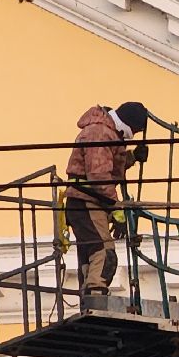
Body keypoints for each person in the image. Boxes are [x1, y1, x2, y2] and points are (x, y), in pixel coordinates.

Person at [64, 100, 149, 297]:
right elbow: (100, 177)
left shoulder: (107, 132)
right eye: (135, 131)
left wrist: (133, 157)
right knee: (104, 253)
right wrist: (117, 210)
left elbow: (105, 167)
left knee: (91, 252)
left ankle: (90, 294)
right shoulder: (101, 132)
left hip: (86, 200)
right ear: (131, 126)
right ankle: (95, 295)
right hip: (86, 201)